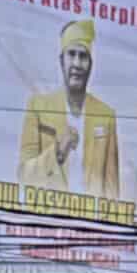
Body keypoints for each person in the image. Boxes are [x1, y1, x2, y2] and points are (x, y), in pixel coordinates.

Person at [17, 16, 124, 202]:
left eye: (83, 57)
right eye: (71, 54)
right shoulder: (38, 107)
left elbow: (112, 190)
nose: (76, 63)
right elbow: (24, 176)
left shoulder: (105, 116)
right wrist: (57, 152)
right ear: (61, 60)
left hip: (91, 225)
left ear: (90, 65)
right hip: (47, 222)